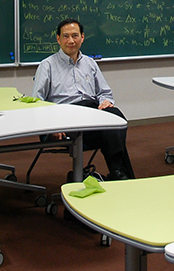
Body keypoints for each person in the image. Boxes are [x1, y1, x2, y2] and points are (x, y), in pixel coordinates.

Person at [32, 18, 135, 180]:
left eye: (75, 35)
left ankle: (116, 173)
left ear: (82, 37)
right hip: (65, 117)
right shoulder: (47, 66)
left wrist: (105, 101)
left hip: (92, 113)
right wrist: (52, 126)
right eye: (66, 36)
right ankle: (118, 174)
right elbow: (37, 102)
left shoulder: (90, 63)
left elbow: (104, 92)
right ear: (58, 39)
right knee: (111, 133)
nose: (71, 40)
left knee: (116, 118)